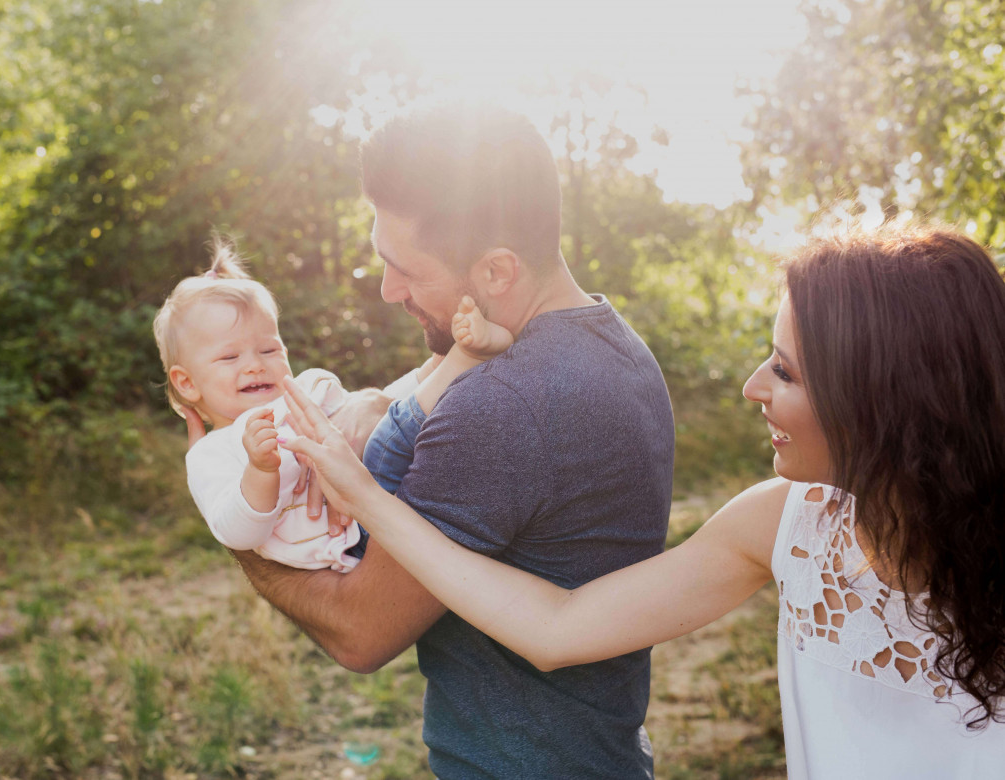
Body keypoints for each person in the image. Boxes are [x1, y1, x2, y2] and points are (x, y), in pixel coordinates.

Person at [281, 224, 1005, 779]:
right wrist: (367, 500)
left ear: (886, 401)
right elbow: (555, 627)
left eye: (785, 372)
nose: (753, 387)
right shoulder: (784, 522)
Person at [190, 99, 675, 778]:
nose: (389, 290)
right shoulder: (615, 348)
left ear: (496, 272)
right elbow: (429, 391)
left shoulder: (502, 404)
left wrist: (235, 522)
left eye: (406, 269)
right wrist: (374, 401)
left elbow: (361, 632)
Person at [157, 240, 513, 572]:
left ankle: (451, 358)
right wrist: (260, 471)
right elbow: (237, 535)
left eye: (269, 350)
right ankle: (466, 355)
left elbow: (369, 412)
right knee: (397, 428)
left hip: (376, 502)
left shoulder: (299, 396)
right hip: (351, 541)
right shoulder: (211, 454)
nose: (254, 365)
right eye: (230, 356)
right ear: (187, 382)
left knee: (393, 415)